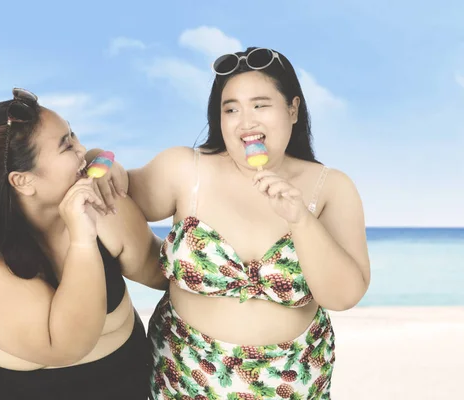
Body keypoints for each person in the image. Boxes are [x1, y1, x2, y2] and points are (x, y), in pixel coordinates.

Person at [106, 47, 371, 399]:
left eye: (260, 105)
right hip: (183, 376)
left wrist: (300, 220)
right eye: (231, 108)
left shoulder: (331, 187)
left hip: (292, 383)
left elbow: (343, 296)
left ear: (293, 109)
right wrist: (100, 159)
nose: (245, 122)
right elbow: (116, 188)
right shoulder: (187, 170)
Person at [0, 88, 165, 399]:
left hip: (126, 382)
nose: (83, 149)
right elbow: (66, 346)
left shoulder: (98, 204)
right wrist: (81, 239)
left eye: (75, 136)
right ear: (23, 181)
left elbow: (160, 272)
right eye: (67, 146)